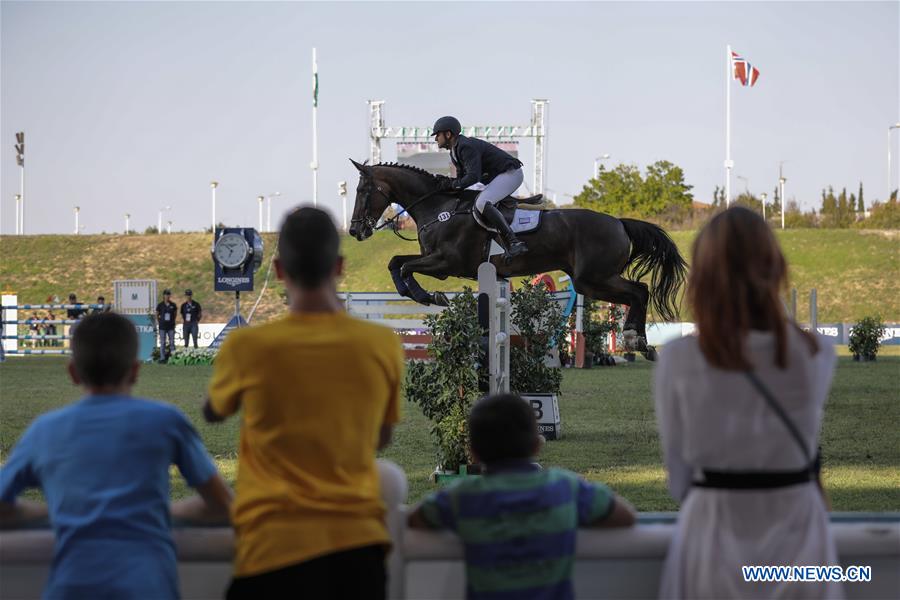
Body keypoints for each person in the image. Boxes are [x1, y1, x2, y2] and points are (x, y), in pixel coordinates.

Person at [204, 206, 405, 600]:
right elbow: (379, 440)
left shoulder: (247, 346)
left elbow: (214, 411)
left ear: (279, 271)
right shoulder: (381, 344)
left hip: (269, 550)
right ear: (340, 266)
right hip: (358, 551)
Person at [654, 206, 842, 599]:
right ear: (774, 268)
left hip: (713, 537)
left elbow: (680, 476)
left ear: (702, 277)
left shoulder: (679, 358)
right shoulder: (816, 352)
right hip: (800, 539)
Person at [0, 312, 232, 599]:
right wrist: (153, 512)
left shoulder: (44, 430)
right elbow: (222, 505)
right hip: (149, 587)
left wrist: (63, 513)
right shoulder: (166, 421)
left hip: (70, 588)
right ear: (135, 370)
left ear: (73, 372)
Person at [408, 393, 636, 600]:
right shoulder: (564, 487)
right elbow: (625, 516)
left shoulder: (462, 496)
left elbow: (415, 519)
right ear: (537, 445)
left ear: (474, 454)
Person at [432, 115, 529, 260]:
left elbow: (472, 177)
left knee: (482, 202)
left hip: (511, 174)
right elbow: (461, 180)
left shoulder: (465, 146)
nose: (435, 139)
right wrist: (448, 184)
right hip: (499, 176)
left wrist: (452, 184)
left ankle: (514, 242)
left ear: (448, 134)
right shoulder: (455, 151)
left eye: (438, 134)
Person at [156, 289, 177, 363]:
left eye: (168, 295)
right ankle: (162, 358)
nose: (167, 296)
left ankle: (174, 358)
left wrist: (172, 321)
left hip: (170, 326)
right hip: (162, 327)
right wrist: (160, 322)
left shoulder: (173, 305)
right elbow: (157, 315)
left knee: (172, 342)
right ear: (163, 296)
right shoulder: (160, 305)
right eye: (166, 294)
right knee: (163, 342)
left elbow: (175, 314)